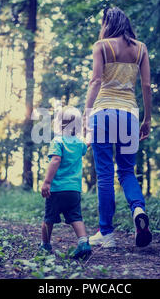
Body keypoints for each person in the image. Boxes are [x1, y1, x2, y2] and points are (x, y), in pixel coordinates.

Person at [84, 7, 152, 248]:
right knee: (126, 171)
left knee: (104, 173)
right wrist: (147, 119)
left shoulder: (101, 46)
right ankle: (138, 211)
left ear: (107, 23)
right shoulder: (141, 49)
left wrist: (86, 115)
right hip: (130, 114)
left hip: (103, 112)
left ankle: (107, 234)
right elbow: (146, 85)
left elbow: (95, 80)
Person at [40, 106, 92, 259]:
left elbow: (55, 159)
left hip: (57, 189)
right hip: (74, 190)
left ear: (59, 124)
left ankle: (45, 245)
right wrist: (90, 133)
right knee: (76, 217)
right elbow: (86, 145)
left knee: (49, 218)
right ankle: (83, 242)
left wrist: (47, 182)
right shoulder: (78, 143)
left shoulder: (58, 141)